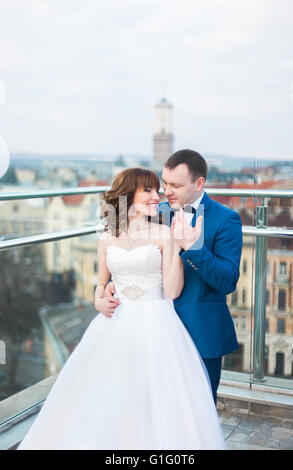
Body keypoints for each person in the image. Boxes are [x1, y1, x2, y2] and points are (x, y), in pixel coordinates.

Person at [18, 167, 225, 450]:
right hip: (115, 322)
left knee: (153, 397)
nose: (158, 196)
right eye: (149, 190)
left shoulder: (164, 233)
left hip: (157, 321)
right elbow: (101, 285)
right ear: (128, 196)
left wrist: (178, 247)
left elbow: (173, 291)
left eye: (157, 189)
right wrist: (98, 299)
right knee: (113, 394)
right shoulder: (107, 236)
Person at [100, 150, 243, 405]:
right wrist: (108, 288)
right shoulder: (154, 212)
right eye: (164, 183)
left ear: (199, 183)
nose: (165, 191)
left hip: (199, 332)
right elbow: (130, 257)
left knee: (197, 412)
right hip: (148, 331)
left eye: (175, 185)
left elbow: (227, 281)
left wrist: (194, 249)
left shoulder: (226, 219)